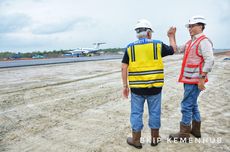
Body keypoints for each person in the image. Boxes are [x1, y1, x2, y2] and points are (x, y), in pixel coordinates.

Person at [121, 19, 176, 149]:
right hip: (155, 88)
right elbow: (173, 49)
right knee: (155, 113)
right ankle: (155, 139)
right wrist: (172, 36)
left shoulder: (130, 47)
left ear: (137, 33)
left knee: (136, 113)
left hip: (137, 89)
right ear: (149, 33)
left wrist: (125, 86)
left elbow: (124, 67)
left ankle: (136, 140)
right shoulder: (157, 45)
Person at [169, 15, 214, 141]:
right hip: (189, 79)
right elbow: (176, 50)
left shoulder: (204, 41)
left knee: (186, 105)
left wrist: (202, 79)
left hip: (195, 80)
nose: (190, 28)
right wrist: (171, 37)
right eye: (189, 26)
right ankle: (196, 130)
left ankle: (184, 134)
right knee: (192, 104)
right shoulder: (191, 42)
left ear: (200, 26)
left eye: (192, 26)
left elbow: (210, 60)